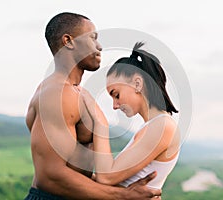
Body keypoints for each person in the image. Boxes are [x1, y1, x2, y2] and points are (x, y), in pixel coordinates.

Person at [24, 12, 161, 200]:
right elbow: (49, 176)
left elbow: (75, 171)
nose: (100, 46)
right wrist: (122, 196)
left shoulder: (73, 92)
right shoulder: (58, 94)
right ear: (68, 41)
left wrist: (127, 188)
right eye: (92, 38)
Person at [79, 42, 180, 189]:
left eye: (116, 95)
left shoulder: (162, 126)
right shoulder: (151, 126)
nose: (115, 106)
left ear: (137, 84)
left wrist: (100, 122)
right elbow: (115, 181)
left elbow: (106, 177)